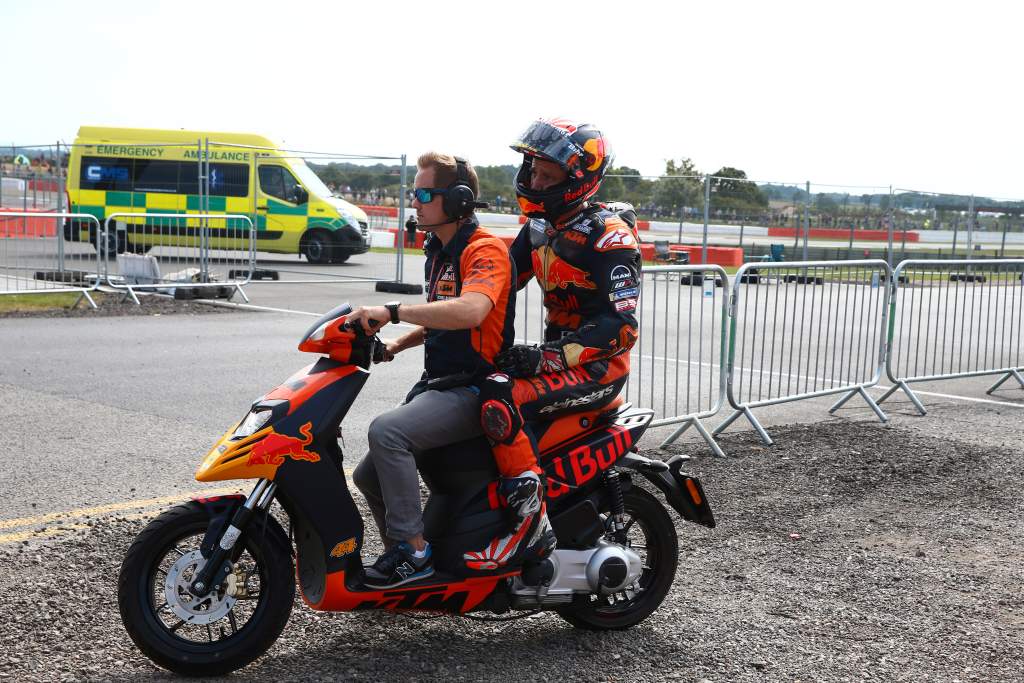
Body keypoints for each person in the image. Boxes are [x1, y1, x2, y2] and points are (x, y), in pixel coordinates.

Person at [464, 118, 642, 571]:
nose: (536, 181)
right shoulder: (541, 227)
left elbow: (621, 327)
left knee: (499, 397)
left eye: (549, 175)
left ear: (579, 178)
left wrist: (546, 358)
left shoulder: (610, 237)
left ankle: (529, 529)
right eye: (534, 170)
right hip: (556, 361)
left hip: (599, 367)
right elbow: (500, 284)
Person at [348, 152, 515, 588]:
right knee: (367, 475)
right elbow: (441, 313)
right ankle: (403, 560)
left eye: (424, 194)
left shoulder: (484, 250)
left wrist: (392, 311)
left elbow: (471, 310)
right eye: (413, 194)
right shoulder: (439, 249)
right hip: (441, 383)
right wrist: (398, 345)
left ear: (458, 200)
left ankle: (415, 553)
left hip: (477, 388)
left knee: (388, 432)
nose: (415, 203)